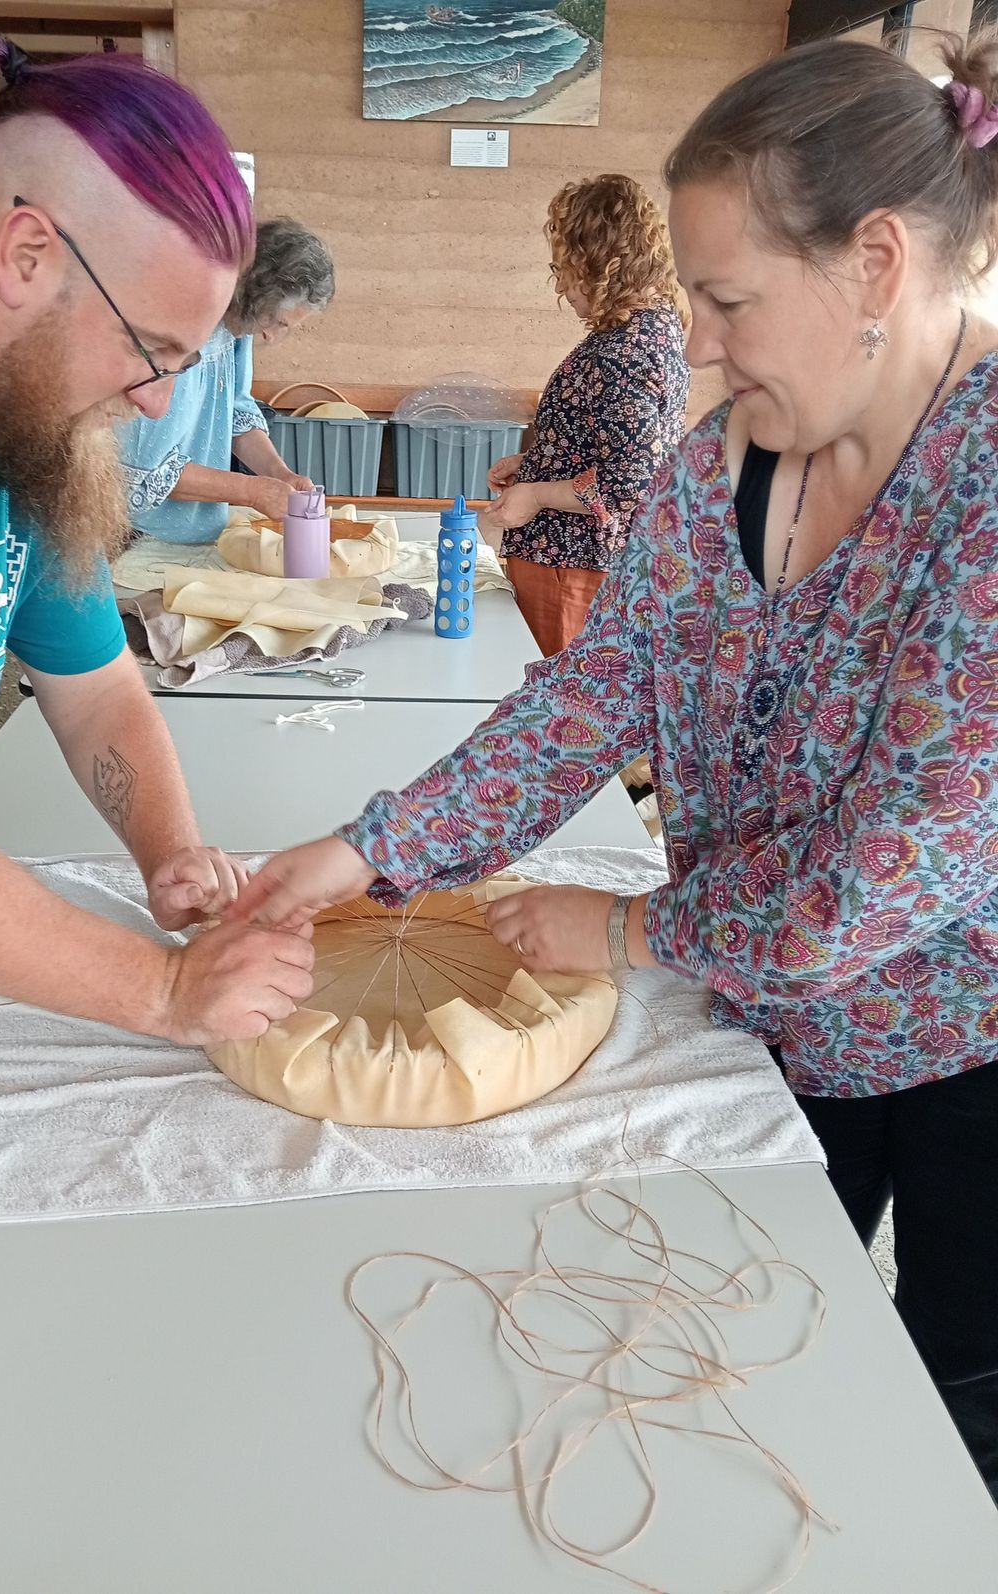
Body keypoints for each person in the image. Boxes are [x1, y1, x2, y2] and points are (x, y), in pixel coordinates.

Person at [233, 32, 998, 1500]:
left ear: (878, 266)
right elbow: (592, 699)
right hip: (772, 1030)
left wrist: (629, 927)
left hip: (967, 1055)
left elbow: (857, 889)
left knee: (952, 1409)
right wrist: (365, 850)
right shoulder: (723, 469)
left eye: (723, 299)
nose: (693, 345)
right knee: (758, 1352)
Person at [0, 35, 314, 1042]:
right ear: (27, 256)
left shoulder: (28, 414)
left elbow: (95, 692)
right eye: (149, 349)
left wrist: (171, 855)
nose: (161, 399)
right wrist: (162, 993)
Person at [481, 175, 689, 656]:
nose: (560, 286)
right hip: (587, 561)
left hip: (571, 567)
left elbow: (627, 484)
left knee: (561, 708)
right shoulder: (655, 330)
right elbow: (616, 447)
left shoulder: (623, 351)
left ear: (598, 264)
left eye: (563, 269)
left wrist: (534, 493)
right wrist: (540, 462)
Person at [119, 217, 336, 541]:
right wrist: (252, 491)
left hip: (199, 535)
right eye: (276, 320)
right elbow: (143, 471)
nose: (272, 336)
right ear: (250, 291)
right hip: (135, 537)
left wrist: (279, 474)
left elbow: (237, 413)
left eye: (289, 327)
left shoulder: (240, 329)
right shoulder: (177, 333)